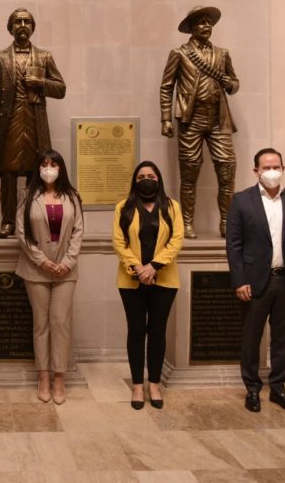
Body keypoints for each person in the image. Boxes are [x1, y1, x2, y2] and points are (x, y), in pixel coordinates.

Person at [226, 148, 285, 413]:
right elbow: (233, 245)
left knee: (282, 337)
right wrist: (239, 280)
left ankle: (278, 387)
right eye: (266, 167)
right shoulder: (241, 200)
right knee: (251, 337)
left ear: (283, 169)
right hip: (255, 282)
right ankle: (252, 389)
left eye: (276, 166)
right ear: (256, 171)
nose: (271, 171)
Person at [0, 7, 66, 238]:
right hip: (10, 121)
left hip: (34, 120)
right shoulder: (0, 57)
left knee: (36, 171)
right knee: (8, 173)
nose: (22, 25)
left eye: (26, 22)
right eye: (17, 22)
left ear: (32, 27)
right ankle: (8, 221)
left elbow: (61, 89)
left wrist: (40, 82)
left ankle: (32, 219)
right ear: (10, 28)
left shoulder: (44, 57)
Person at [160, 5, 239, 239]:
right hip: (191, 120)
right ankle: (187, 223)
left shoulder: (223, 54)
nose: (207, 26)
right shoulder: (180, 53)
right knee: (189, 173)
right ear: (192, 27)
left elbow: (234, 84)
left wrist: (229, 83)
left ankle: (226, 222)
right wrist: (166, 118)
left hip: (218, 120)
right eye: (201, 22)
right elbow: (166, 87)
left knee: (227, 170)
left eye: (209, 22)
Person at [112, 161, 184, 410]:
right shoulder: (123, 207)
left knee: (157, 331)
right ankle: (137, 385)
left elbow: (176, 240)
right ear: (135, 181)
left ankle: (154, 383)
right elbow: (118, 242)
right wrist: (138, 268)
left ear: (158, 179)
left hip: (164, 279)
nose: (146, 179)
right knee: (135, 332)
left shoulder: (172, 206)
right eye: (141, 176)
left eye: (151, 176)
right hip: (131, 280)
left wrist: (153, 266)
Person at [15, 149, 84, 404]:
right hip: (36, 270)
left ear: (61, 168)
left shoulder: (72, 196)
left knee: (60, 322)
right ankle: (43, 375)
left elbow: (78, 231)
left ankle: (59, 377)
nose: (48, 168)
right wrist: (42, 260)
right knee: (41, 324)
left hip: (65, 271)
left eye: (53, 164)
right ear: (38, 168)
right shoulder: (27, 196)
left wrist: (67, 262)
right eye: (44, 164)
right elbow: (22, 233)